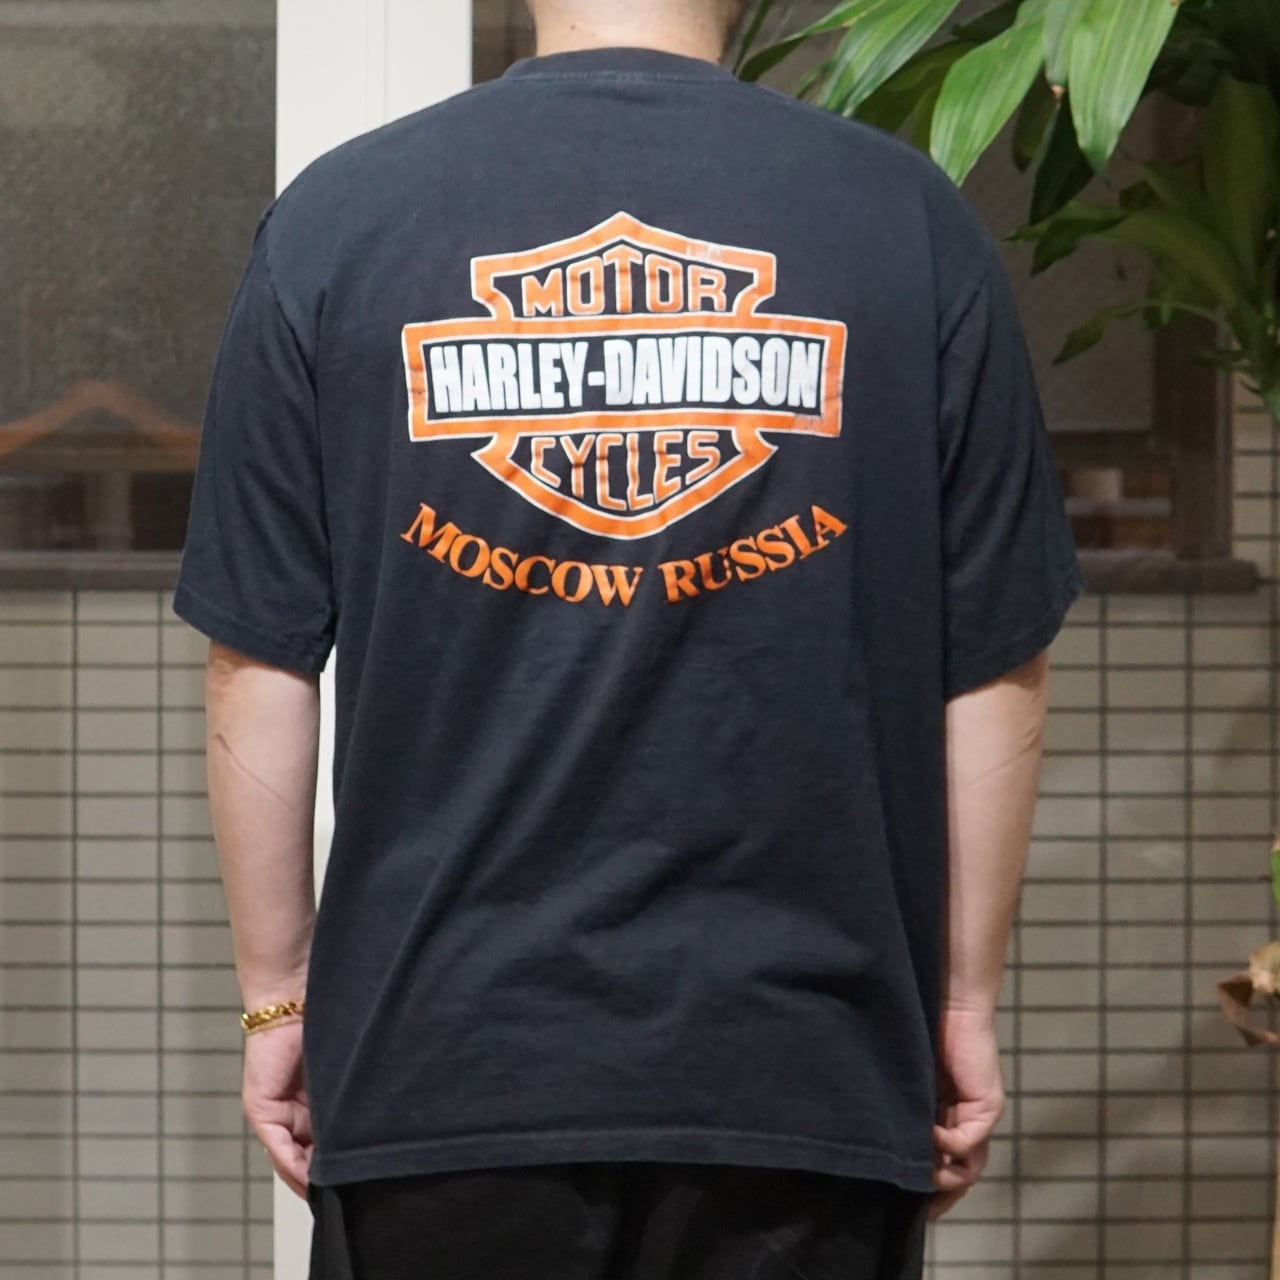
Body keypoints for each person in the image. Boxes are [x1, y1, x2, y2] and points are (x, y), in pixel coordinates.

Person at [173, 0, 1084, 1275]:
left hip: (442, 1058)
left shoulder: (340, 218)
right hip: (803, 1056)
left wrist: (276, 996)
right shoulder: (905, 221)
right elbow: (991, 663)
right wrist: (959, 1000)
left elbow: (258, 661)